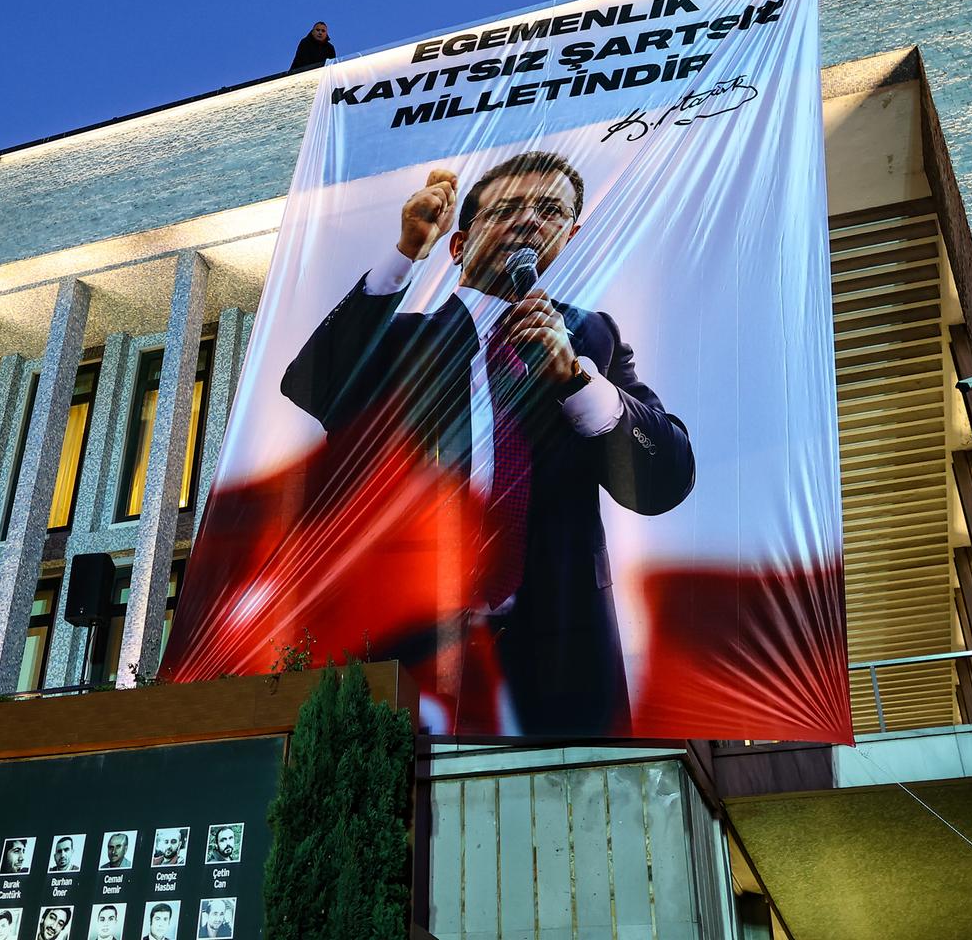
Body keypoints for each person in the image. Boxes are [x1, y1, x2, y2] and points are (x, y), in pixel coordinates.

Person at [281, 151, 696, 736]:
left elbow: (664, 481)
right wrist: (405, 252)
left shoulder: (593, 339)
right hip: (414, 651)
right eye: (506, 209)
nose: (528, 220)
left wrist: (577, 382)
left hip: (562, 656)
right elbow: (312, 385)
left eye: (549, 210)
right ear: (458, 245)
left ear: (570, 238)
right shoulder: (397, 340)